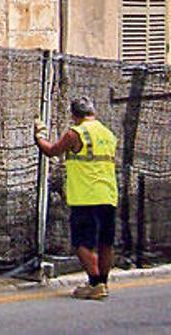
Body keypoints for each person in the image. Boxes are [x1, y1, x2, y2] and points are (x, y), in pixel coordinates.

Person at [34, 96, 118, 300]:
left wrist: (39, 137)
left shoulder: (76, 133)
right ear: (93, 112)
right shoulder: (107, 133)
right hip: (108, 194)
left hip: (85, 196)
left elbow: (52, 151)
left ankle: (95, 282)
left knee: (82, 243)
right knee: (105, 242)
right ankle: (103, 283)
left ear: (74, 115)